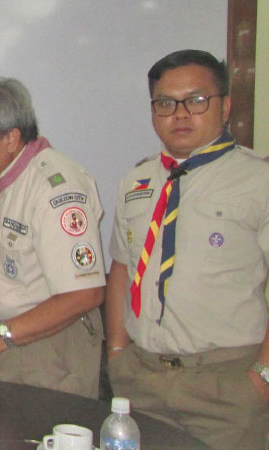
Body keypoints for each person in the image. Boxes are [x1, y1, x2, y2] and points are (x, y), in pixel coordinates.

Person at [105, 49, 269, 449]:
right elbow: (122, 267)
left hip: (226, 383)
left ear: (225, 107)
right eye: (165, 103)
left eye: (196, 100)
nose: (179, 114)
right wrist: (116, 352)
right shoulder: (136, 181)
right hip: (141, 379)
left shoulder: (258, 181)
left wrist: (262, 378)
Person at [0, 77, 105, 399]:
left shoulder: (55, 187)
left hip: (49, 345)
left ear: (11, 138)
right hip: (1, 336)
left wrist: (3, 334)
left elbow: (85, 294)